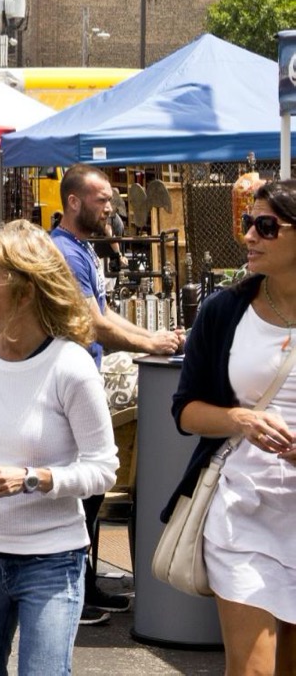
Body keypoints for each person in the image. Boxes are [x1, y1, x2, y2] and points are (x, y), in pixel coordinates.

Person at [0, 220, 116, 676]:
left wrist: (33, 479)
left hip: (51, 562)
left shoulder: (71, 366)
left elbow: (103, 469)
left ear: (25, 291)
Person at [166, 178, 296, 672]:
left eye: (266, 226)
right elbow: (185, 410)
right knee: (253, 669)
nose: (249, 236)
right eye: (248, 224)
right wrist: (239, 418)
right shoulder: (225, 311)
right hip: (244, 508)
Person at [48, 163, 184, 624]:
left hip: (82, 381)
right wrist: (151, 343)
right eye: (102, 199)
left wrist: (153, 337)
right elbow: (93, 325)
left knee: (90, 492)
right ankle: (75, 594)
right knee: (80, 492)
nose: (111, 206)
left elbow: (104, 315)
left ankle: (85, 587)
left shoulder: (82, 248)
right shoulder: (64, 253)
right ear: (74, 202)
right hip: (66, 388)